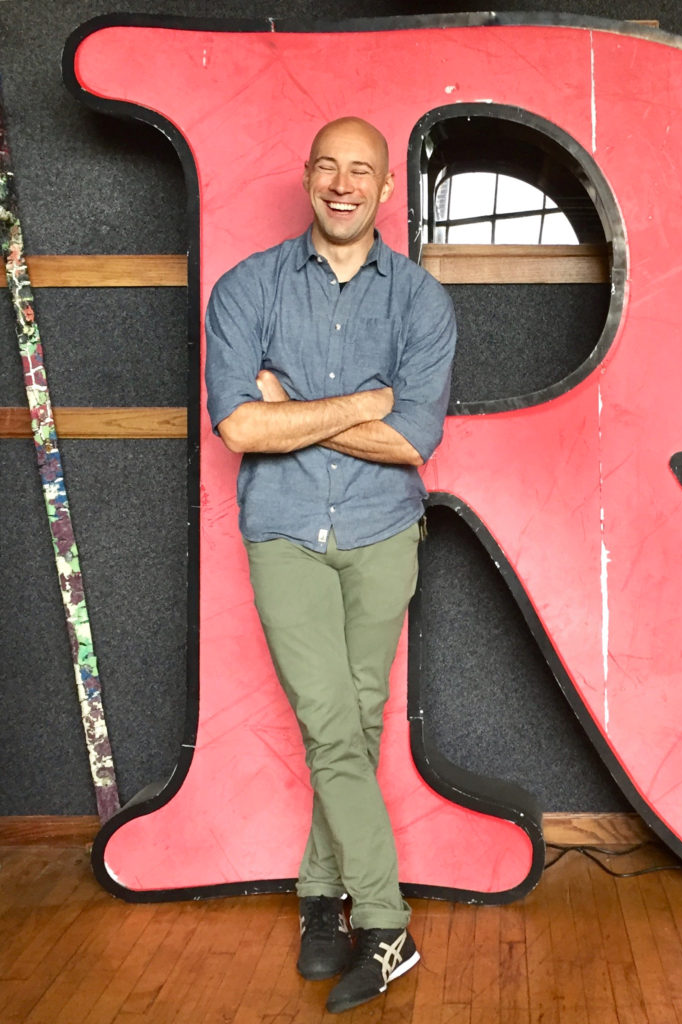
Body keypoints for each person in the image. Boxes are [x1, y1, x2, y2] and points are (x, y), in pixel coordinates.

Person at [204, 116, 456, 1014]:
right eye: (327, 167)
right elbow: (240, 425)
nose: (342, 184)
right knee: (330, 722)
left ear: (386, 189)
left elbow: (412, 440)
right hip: (283, 533)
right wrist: (362, 403)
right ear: (308, 176)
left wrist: (298, 406)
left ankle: (321, 895)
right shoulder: (247, 288)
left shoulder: (422, 303)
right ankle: (386, 926)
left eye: (361, 171)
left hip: (384, 534)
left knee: (355, 718)